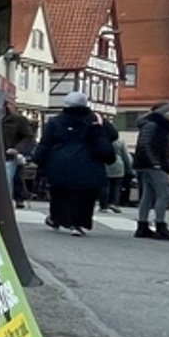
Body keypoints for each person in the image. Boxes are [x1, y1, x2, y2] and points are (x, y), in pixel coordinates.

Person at [32, 90, 116, 236]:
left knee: (60, 193)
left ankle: (57, 218)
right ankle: (78, 223)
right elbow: (113, 135)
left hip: (60, 163)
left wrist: (37, 160)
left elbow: (45, 144)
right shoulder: (95, 120)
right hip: (89, 164)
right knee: (85, 196)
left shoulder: (55, 121)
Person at [132, 101, 169, 241]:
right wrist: (155, 163)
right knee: (164, 194)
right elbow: (146, 144)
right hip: (153, 164)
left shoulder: (156, 125)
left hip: (150, 164)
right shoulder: (153, 124)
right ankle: (160, 226)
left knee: (148, 195)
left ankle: (143, 226)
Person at [1, 101, 35, 209]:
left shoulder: (17, 120)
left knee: (6, 180)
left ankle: (6, 204)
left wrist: (17, 149)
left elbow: (28, 137)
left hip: (9, 156)